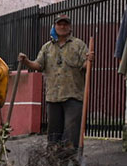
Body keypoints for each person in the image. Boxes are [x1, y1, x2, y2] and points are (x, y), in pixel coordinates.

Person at [17, 14, 93, 146]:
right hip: (53, 97)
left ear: (70, 27)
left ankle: (70, 160)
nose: (62, 26)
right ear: (55, 26)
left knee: (71, 132)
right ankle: (54, 162)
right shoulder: (47, 47)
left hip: (73, 96)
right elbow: (38, 65)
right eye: (59, 24)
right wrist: (26, 61)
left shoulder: (78, 45)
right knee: (53, 135)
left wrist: (89, 61)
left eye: (65, 24)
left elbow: (85, 66)